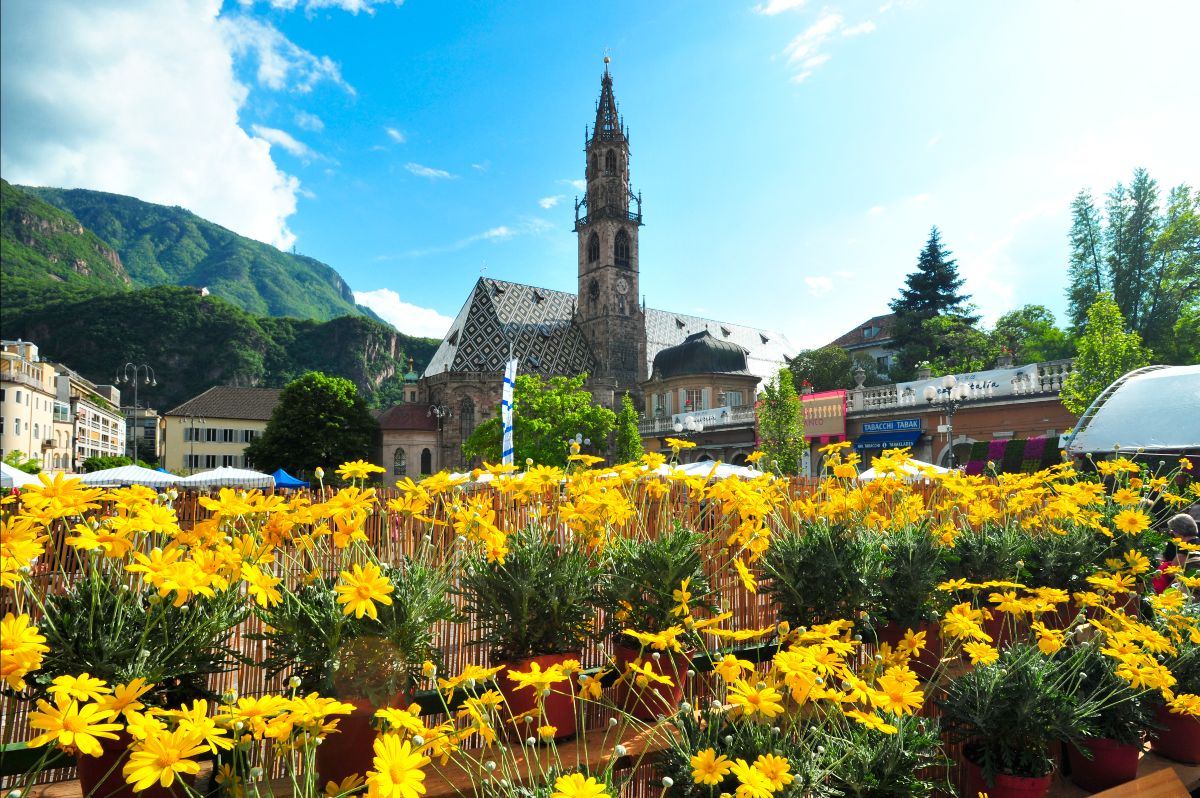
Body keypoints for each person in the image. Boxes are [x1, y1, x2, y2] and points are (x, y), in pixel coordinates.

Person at [1152, 512, 1200, 594]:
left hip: (1188, 590)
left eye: (1172, 532)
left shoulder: (1186, 549)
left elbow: (1171, 572)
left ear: (1178, 532)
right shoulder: (1197, 541)